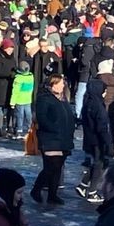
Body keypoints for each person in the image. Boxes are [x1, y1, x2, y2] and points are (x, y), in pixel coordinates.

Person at [32, 74, 75, 205]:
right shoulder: (44, 99)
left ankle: (52, 194)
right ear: (53, 84)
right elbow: (42, 118)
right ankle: (36, 189)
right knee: (51, 166)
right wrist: (54, 128)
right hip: (50, 138)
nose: (63, 86)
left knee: (58, 167)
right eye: (61, 83)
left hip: (63, 139)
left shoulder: (62, 99)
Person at [79, 77, 114, 203]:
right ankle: (92, 191)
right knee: (100, 164)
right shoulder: (99, 106)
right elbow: (102, 127)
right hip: (98, 140)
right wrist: (109, 143)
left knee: (96, 163)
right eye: (104, 91)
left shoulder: (88, 102)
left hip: (90, 138)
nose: (105, 93)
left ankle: (84, 185)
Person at [11, 61, 35, 138]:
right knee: (28, 115)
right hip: (28, 99)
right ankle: (30, 128)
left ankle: (19, 131)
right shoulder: (31, 76)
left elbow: (15, 91)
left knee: (19, 116)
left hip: (19, 100)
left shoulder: (18, 79)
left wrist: (12, 102)